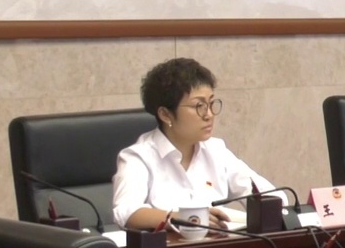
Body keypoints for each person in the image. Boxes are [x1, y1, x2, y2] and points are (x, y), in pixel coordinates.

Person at [113, 58, 273, 230]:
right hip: (168, 246)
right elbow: (127, 212)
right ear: (165, 114)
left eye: (211, 104)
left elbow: (266, 194)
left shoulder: (215, 150)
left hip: (220, 242)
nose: (209, 114)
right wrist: (183, 218)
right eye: (199, 106)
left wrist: (271, 207)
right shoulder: (138, 157)